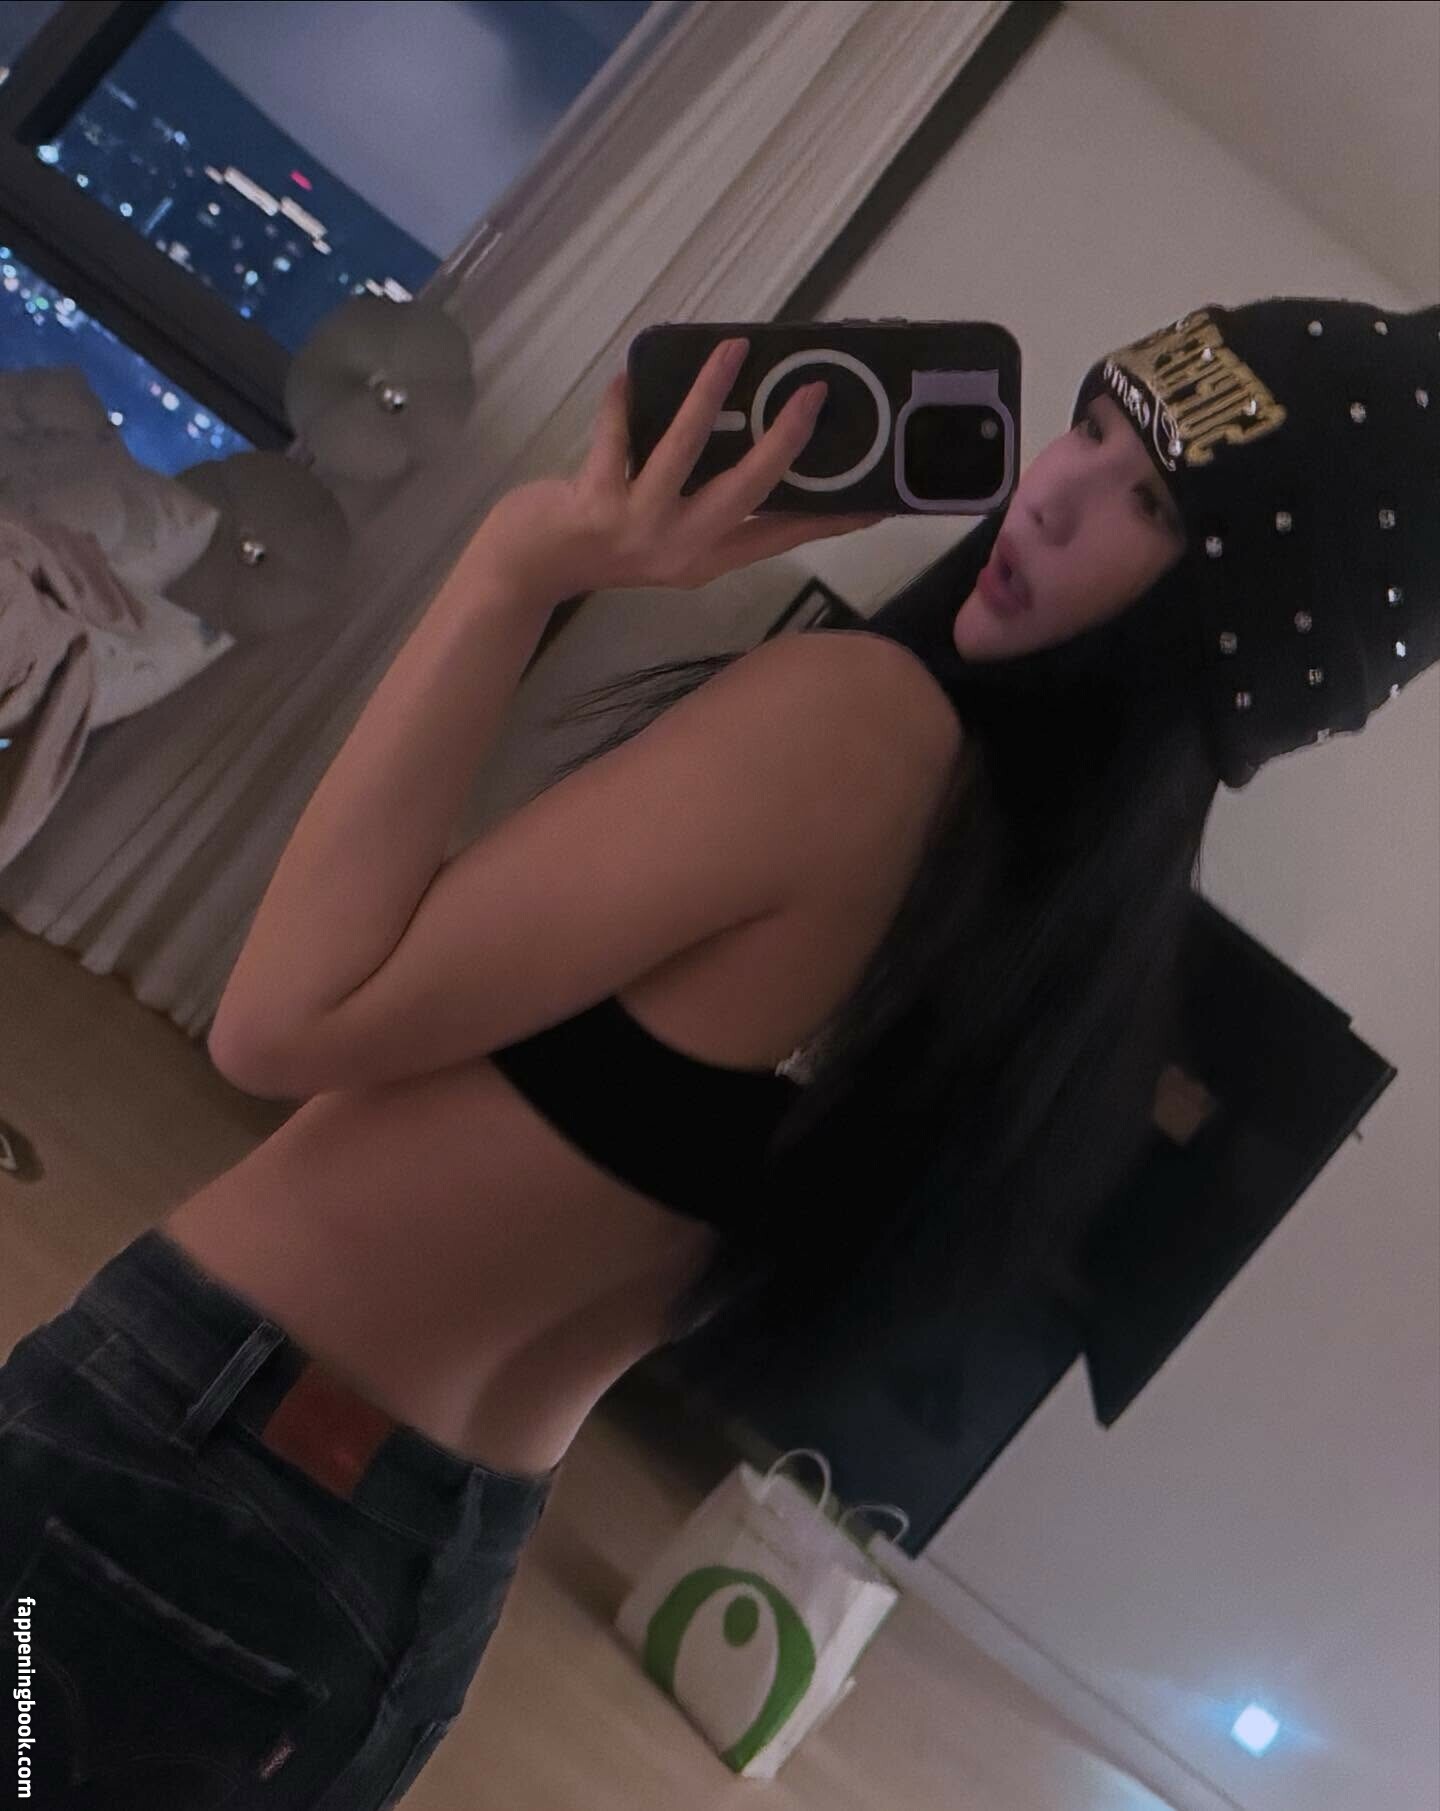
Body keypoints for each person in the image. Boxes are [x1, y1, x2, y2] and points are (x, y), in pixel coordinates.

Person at [1, 297, 1434, 1808]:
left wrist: (517, 566)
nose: (1053, 491)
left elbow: (282, 1020)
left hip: (189, 1462)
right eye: (1089, 423)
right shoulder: (1052, 968)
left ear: (1238, 629)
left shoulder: (857, 726)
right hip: (405, 1577)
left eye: (1155, 505)